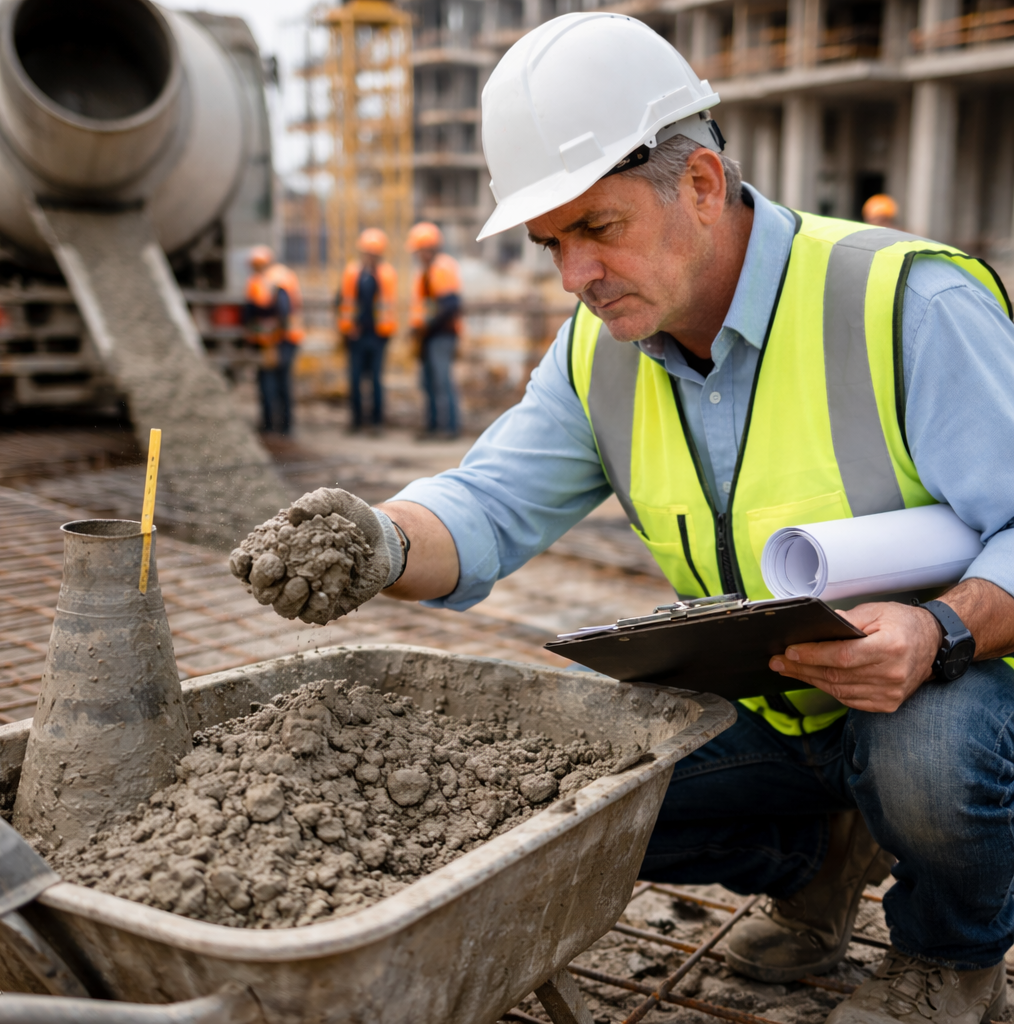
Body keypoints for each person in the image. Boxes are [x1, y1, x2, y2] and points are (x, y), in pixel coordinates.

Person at [269, 15, 1014, 1024]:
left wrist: (937, 630)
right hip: (772, 704)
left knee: (929, 756)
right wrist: (379, 540)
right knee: (559, 796)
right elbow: (488, 503)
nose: (572, 276)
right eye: (550, 244)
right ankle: (816, 861)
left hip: (944, 690)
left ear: (699, 183)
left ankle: (950, 951)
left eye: (597, 229)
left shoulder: (905, 302)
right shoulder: (599, 351)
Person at [336, 228, 398, 433]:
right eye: (367, 253)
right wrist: (346, 329)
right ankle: (356, 421)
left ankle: (376, 422)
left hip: (378, 336)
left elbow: (388, 304)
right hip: (356, 335)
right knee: (355, 379)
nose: (370, 257)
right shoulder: (352, 273)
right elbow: (342, 301)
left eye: (374, 254)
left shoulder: (386, 274)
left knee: (376, 380)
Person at [408, 222, 462, 439]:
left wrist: (426, 325)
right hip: (428, 335)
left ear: (429, 249)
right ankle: (433, 426)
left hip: (441, 335)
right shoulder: (426, 272)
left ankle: (449, 428)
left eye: (419, 250)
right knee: (428, 382)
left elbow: (450, 306)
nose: (418, 255)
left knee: (442, 381)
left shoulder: (442, 268)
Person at [243, 245, 304, 435]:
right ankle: (277, 425)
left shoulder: (272, 281)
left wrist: (274, 340)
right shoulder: (268, 279)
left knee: (274, 382)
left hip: (279, 340)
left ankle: (278, 426)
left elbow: (280, 313)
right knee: (273, 382)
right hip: (274, 340)